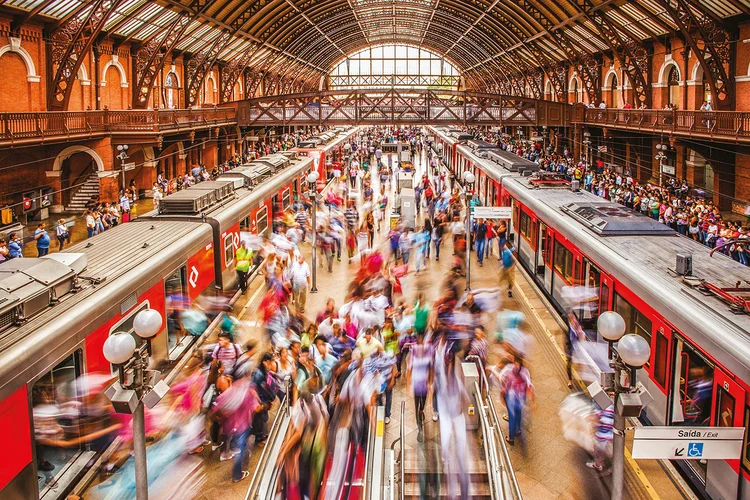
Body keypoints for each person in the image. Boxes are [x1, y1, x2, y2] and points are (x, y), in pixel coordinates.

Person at [500, 356, 534, 446]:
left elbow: (502, 380)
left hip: (511, 398)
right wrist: (533, 401)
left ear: (514, 362)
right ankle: (518, 430)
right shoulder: (525, 371)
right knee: (518, 413)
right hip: (521, 398)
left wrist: (503, 393)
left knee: (512, 417)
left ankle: (511, 438)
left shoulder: (509, 370)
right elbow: (529, 386)